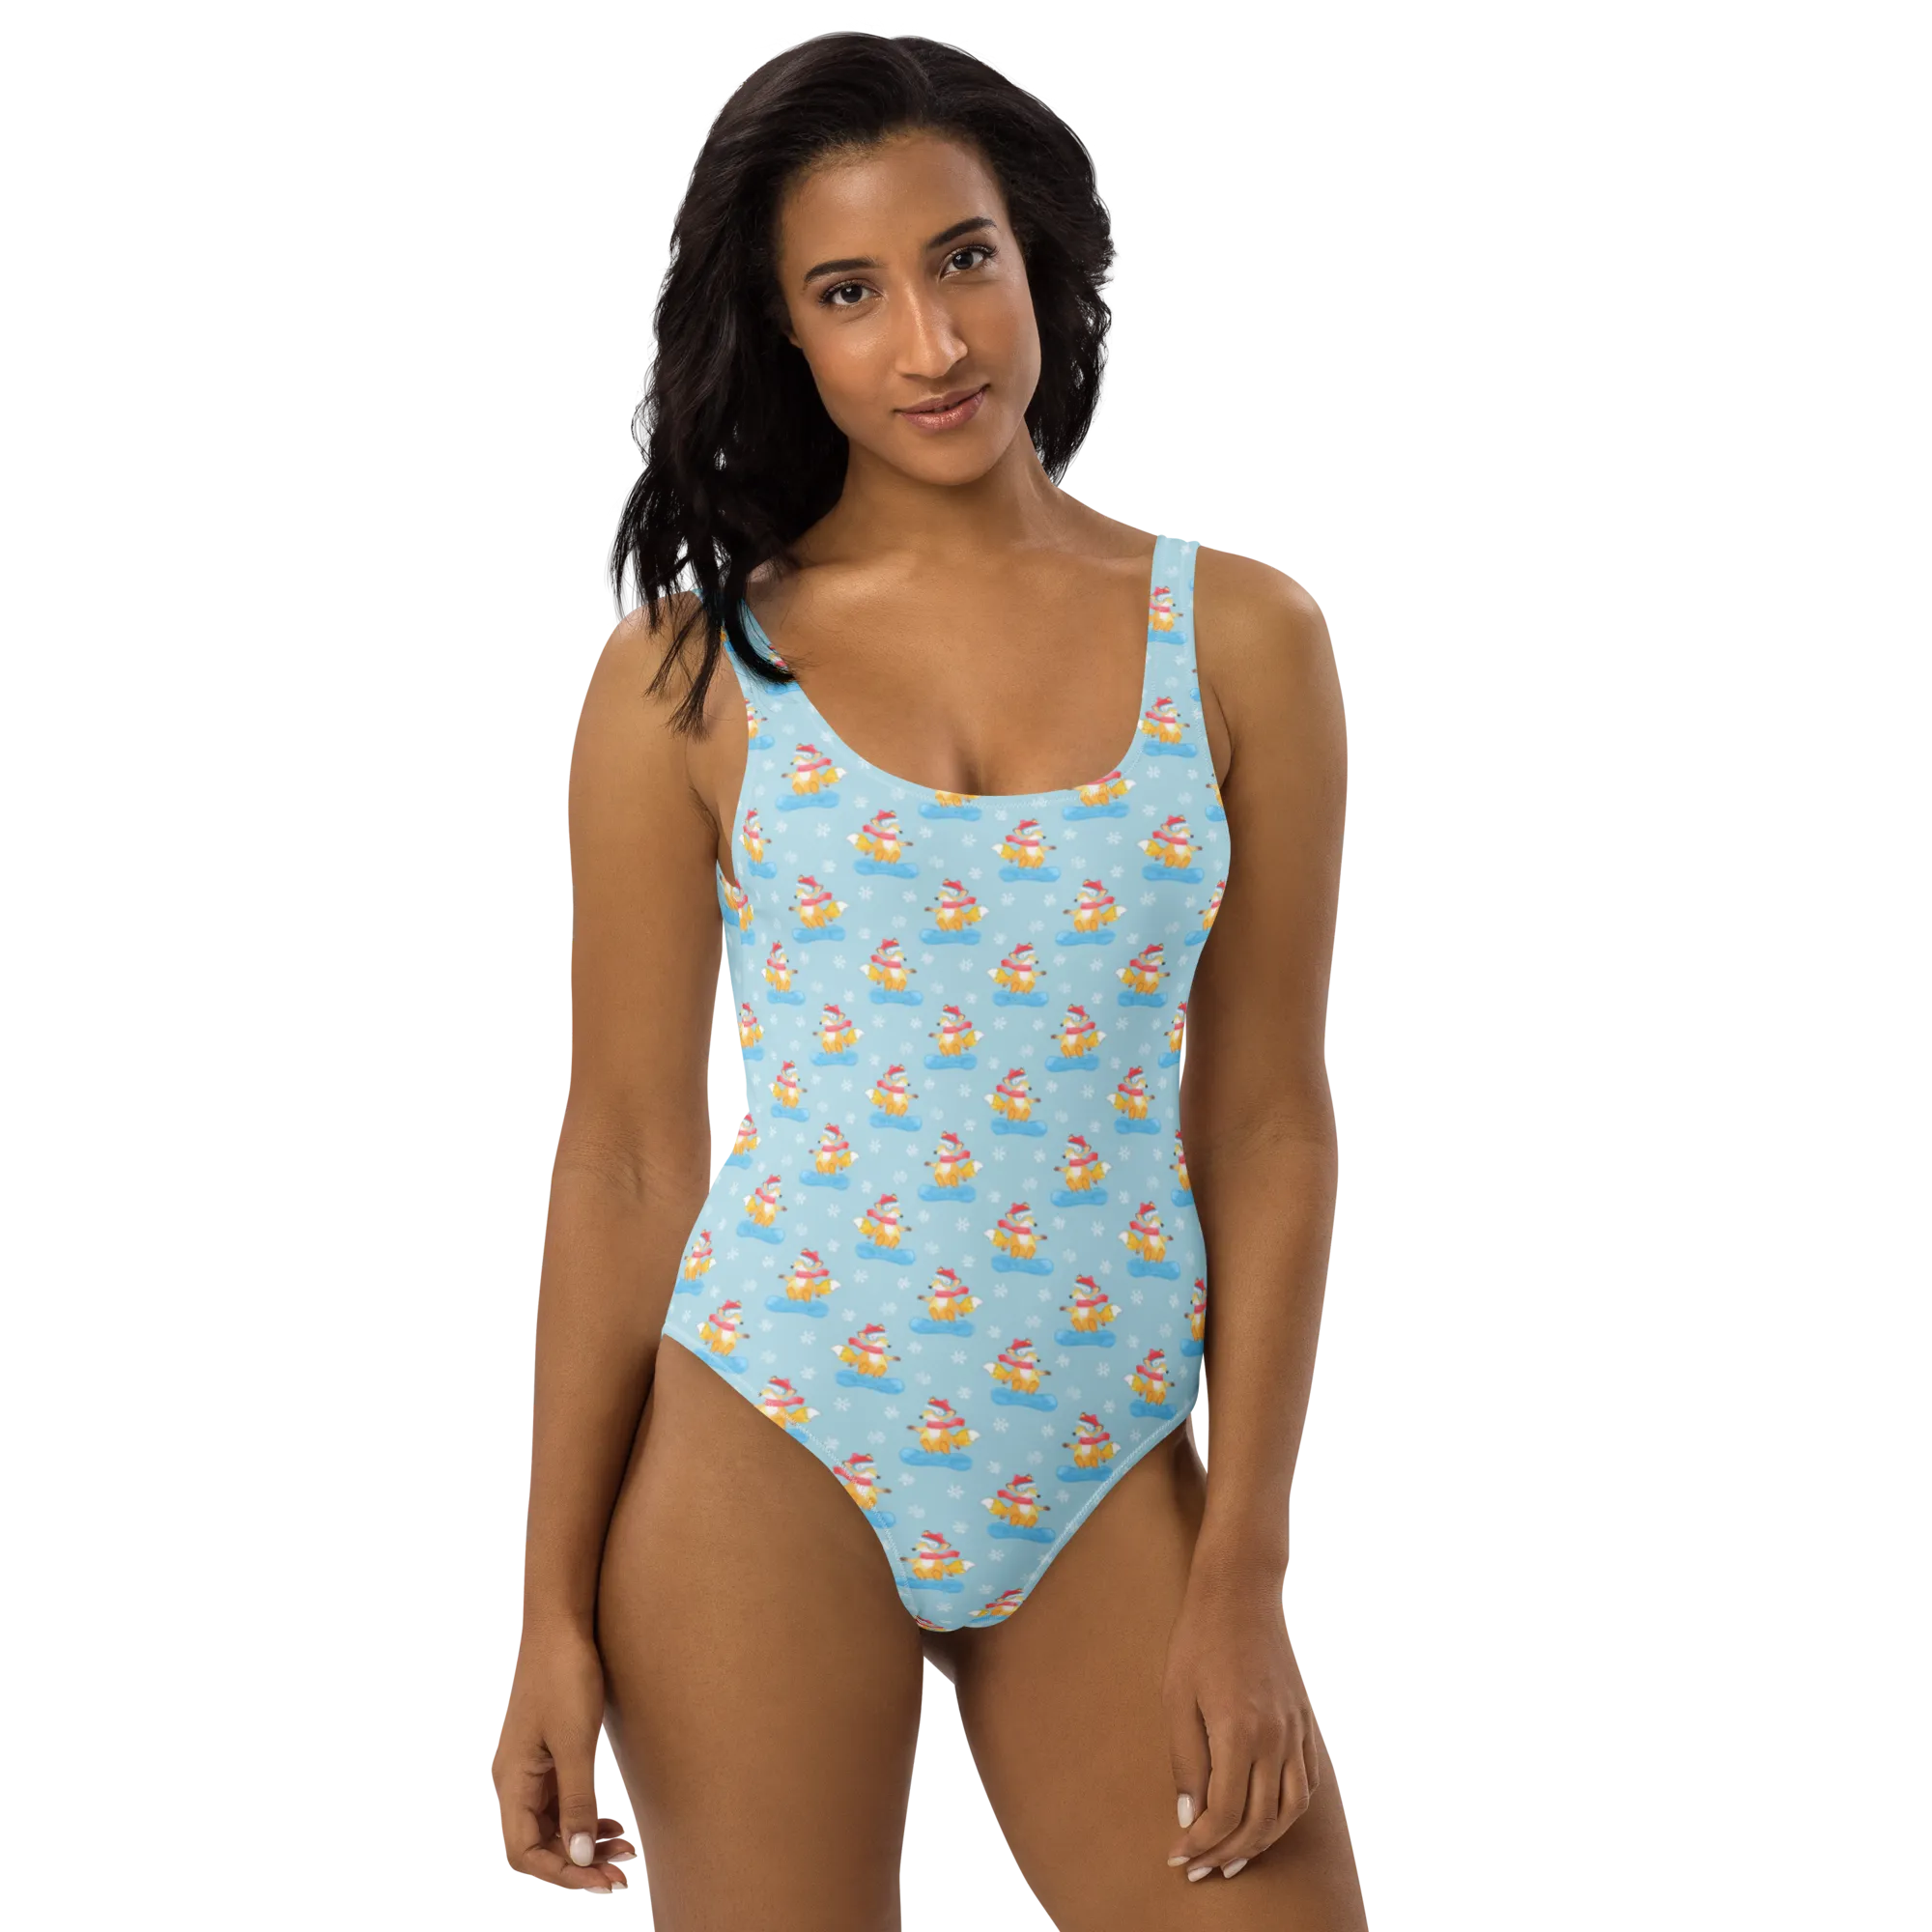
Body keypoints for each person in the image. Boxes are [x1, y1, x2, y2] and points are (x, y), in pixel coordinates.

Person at [492, 27, 1357, 1926]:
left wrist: (1241, 1568)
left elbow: (1267, 1124)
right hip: (767, 1426)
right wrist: (547, 1617)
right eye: (850, 291)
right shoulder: (680, 675)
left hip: (1106, 1444)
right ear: (783, 333)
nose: (934, 340)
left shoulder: (1238, 638)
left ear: (1035, 249)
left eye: (964, 257)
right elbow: (626, 1155)